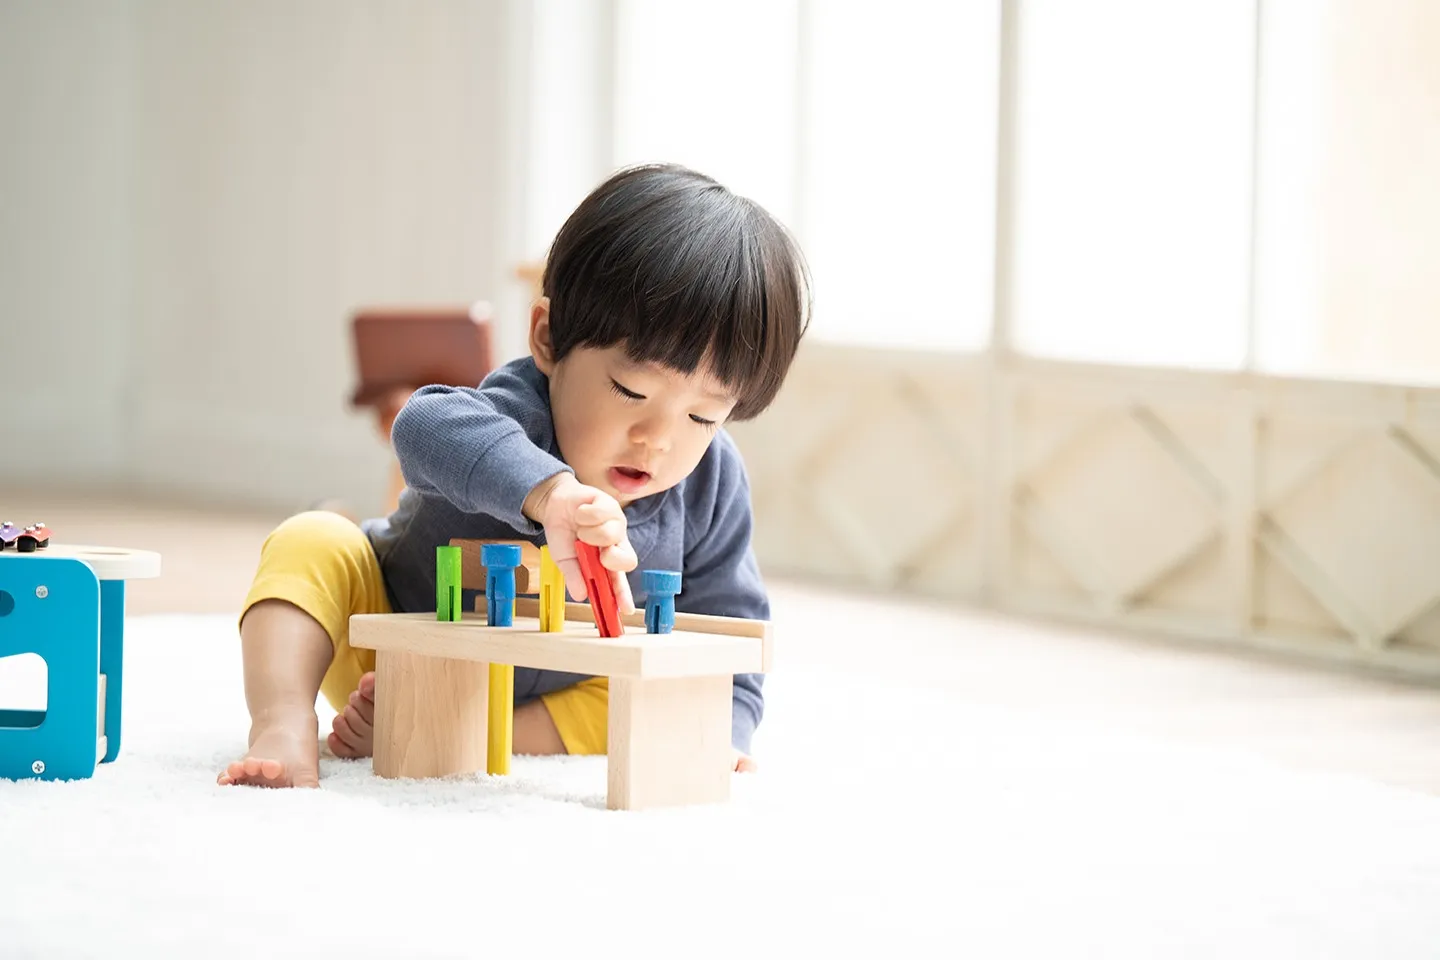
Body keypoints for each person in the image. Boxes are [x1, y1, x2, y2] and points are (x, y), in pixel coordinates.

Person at [219, 162, 811, 788]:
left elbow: (728, 622)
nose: (658, 439)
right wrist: (549, 492)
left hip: (554, 690)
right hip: (388, 642)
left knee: (650, 685)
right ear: (548, 339)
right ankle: (283, 726)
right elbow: (421, 425)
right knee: (312, 540)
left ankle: (456, 730)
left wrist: (725, 730)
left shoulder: (712, 482)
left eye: (702, 416)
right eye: (631, 390)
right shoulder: (515, 410)